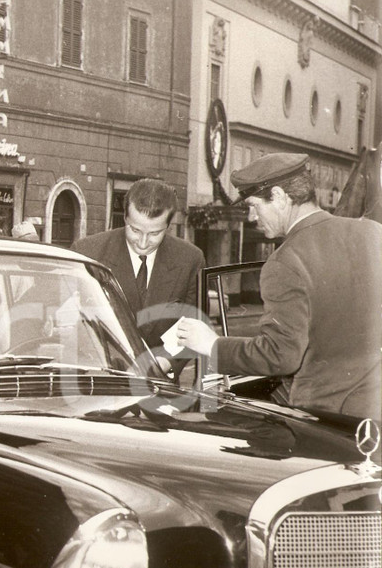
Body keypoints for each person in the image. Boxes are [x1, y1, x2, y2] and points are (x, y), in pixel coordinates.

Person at [177, 152, 382, 421]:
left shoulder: (286, 260)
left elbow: (281, 356)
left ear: (280, 197)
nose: (251, 217)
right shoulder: (373, 233)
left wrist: (212, 345)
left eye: (253, 205)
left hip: (327, 417)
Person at [71, 178, 205, 375]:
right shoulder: (88, 252)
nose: (142, 243)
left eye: (154, 233)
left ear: (168, 225)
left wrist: (166, 361)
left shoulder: (190, 259)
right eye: (135, 230)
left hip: (159, 385)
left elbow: (193, 324)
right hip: (100, 379)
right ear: (124, 217)